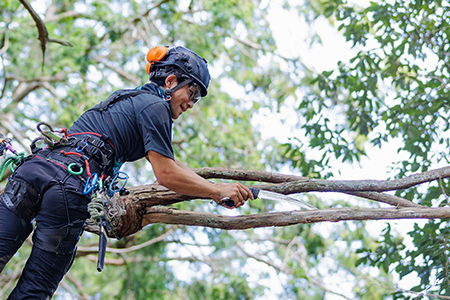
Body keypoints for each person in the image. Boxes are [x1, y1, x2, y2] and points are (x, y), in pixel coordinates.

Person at [0, 45, 254, 299]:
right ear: (171, 81)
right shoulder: (156, 108)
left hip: (33, 172)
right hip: (68, 188)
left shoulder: (126, 99)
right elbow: (166, 174)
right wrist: (216, 191)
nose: (192, 103)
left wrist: (218, 187)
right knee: (35, 288)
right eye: (193, 91)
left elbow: (172, 165)